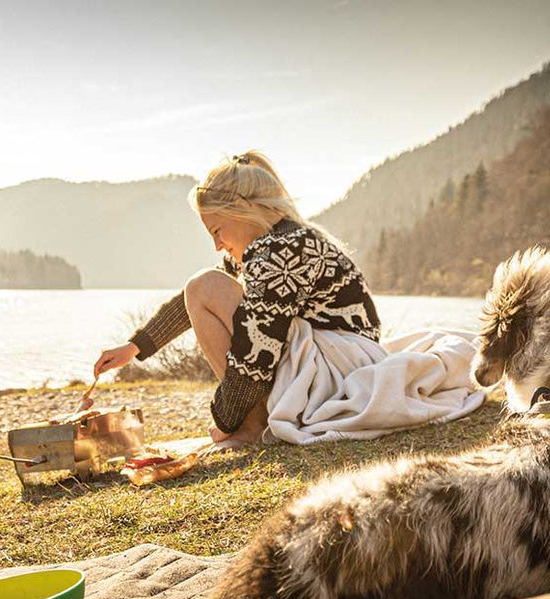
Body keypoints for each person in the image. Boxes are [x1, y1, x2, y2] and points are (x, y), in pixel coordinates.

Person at [92, 151, 381, 449]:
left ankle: (252, 428)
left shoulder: (280, 251)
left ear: (242, 208)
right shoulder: (277, 241)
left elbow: (255, 354)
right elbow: (191, 303)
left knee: (204, 286)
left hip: (341, 373)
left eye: (217, 231)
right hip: (342, 365)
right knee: (204, 287)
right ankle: (252, 422)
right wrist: (136, 346)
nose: (217, 246)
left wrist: (226, 422)